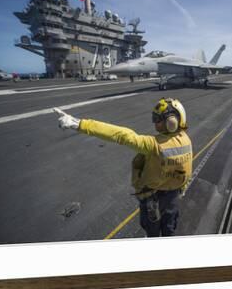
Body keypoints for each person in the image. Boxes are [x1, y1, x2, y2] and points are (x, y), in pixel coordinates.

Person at [54, 98, 193, 237]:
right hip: (173, 198)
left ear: (171, 122)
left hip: (153, 200)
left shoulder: (154, 145)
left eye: (157, 119)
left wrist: (79, 124)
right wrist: (183, 189)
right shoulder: (186, 140)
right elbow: (187, 169)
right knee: (170, 230)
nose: (155, 123)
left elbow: (121, 135)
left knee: (152, 232)